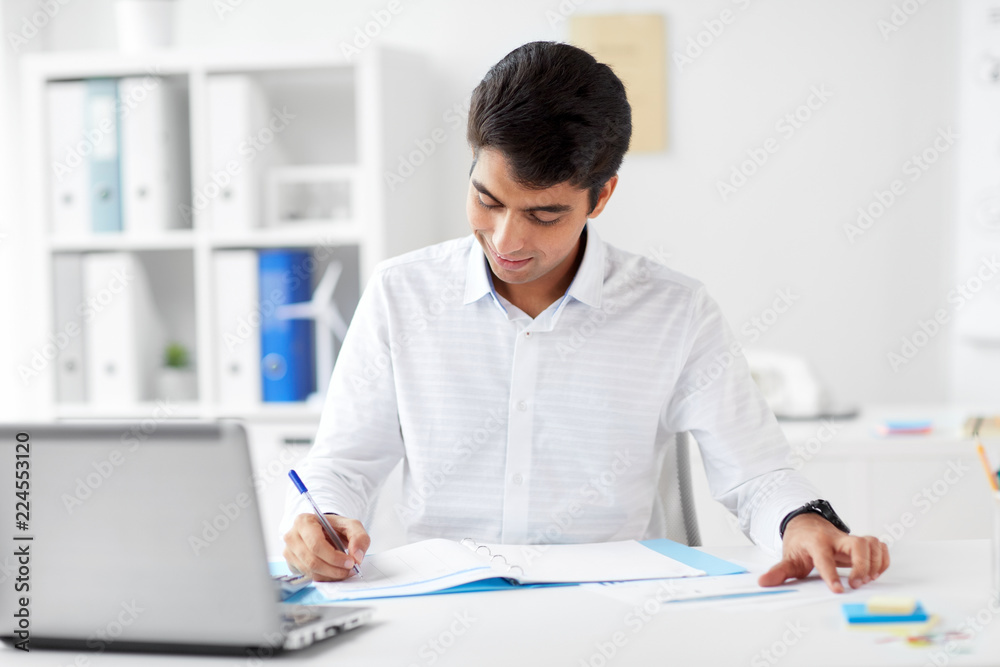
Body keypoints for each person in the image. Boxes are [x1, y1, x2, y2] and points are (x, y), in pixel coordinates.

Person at [280, 41, 889, 594]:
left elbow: (755, 474)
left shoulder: (675, 310)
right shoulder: (399, 294)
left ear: (601, 196)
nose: (505, 238)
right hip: (437, 606)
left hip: (616, 614)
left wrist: (803, 524)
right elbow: (340, 464)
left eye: (543, 215)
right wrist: (321, 519)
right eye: (487, 200)